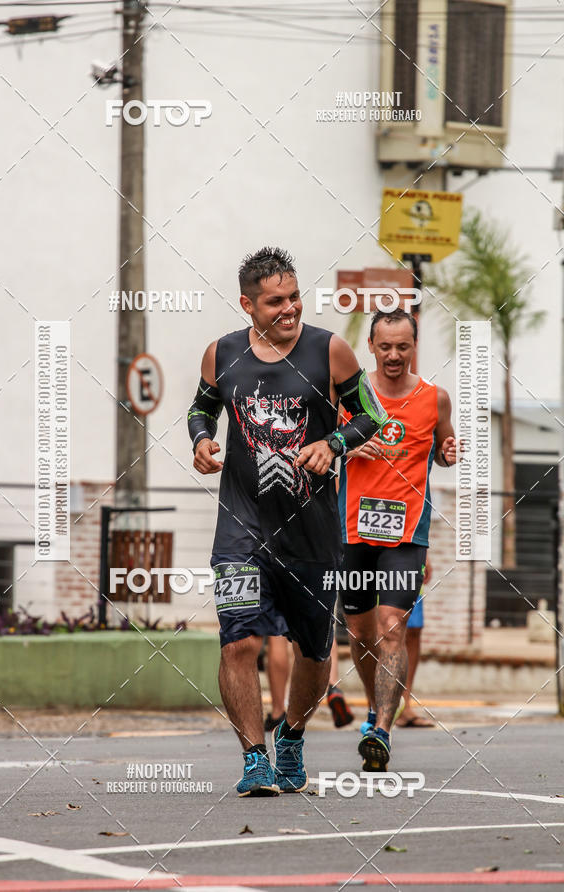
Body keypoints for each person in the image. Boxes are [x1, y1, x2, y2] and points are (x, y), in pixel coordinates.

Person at [188, 247, 386, 796]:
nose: (290, 308)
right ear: (248, 304)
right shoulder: (222, 353)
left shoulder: (330, 350)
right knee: (237, 642)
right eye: (275, 301)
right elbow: (201, 408)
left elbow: (371, 414)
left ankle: (292, 736)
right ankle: (255, 758)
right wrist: (202, 439)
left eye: (295, 296)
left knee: (314, 652)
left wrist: (333, 443)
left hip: (311, 533)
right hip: (242, 528)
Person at [338, 307, 457, 772]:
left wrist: (448, 452)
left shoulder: (435, 398)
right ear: (371, 346)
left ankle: (382, 731)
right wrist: (347, 443)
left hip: (407, 534)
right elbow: (324, 444)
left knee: (392, 626)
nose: (393, 355)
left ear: (414, 347)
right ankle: (374, 707)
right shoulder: (350, 395)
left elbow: (443, 450)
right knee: (360, 632)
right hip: (353, 531)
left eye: (402, 346)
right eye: (385, 346)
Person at [395, 556, 434, 728]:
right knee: (381, 631)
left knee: (413, 629)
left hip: (410, 551)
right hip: (374, 549)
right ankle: (375, 709)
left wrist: (426, 554)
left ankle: (404, 706)